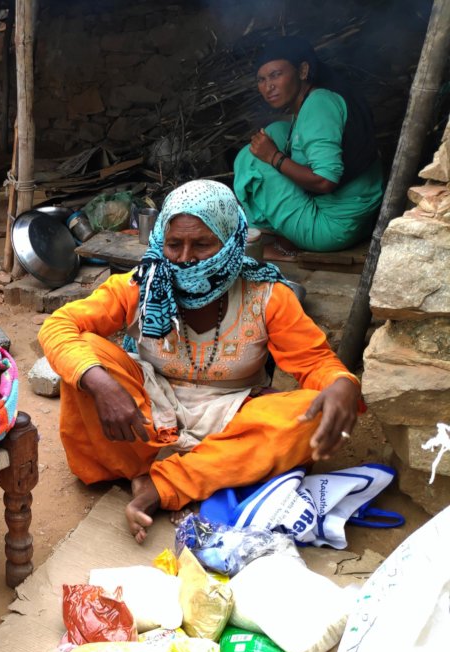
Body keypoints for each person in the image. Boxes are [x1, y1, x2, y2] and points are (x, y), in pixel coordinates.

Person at [38, 180, 361, 544]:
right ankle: (195, 470)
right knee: (84, 359)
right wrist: (101, 384)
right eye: (174, 244)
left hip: (230, 415)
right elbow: (59, 325)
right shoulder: (140, 285)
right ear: (160, 239)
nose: (185, 257)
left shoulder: (268, 296)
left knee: (308, 415)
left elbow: (316, 362)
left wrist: (343, 384)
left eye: (202, 244)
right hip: (148, 411)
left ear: (230, 239)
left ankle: (161, 483)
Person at [233, 37, 383, 255]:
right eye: (261, 79)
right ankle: (280, 230)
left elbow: (325, 181)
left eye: (276, 75)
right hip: (359, 218)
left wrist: (274, 157)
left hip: (331, 227)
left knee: (251, 160)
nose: (268, 86)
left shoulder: (318, 105)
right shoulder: (319, 97)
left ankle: (272, 239)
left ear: (303, 71)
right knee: (276, 131)